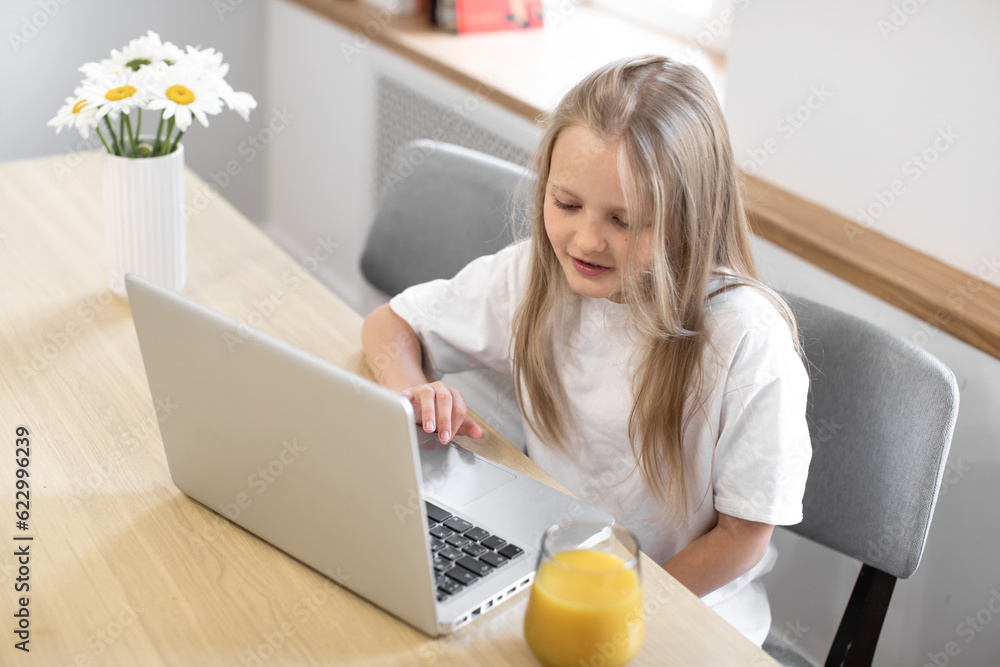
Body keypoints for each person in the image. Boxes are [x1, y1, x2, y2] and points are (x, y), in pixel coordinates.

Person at [361, 55, 811, 646]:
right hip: (550, 568)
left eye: (626, 221)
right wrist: (412, 389)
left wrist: (613, 597)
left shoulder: (747, 343)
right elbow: (390, 325)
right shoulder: (537, 275)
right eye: (567, 204)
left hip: (685, 608)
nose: (587, 240)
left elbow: (743, 539)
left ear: (691, 219)